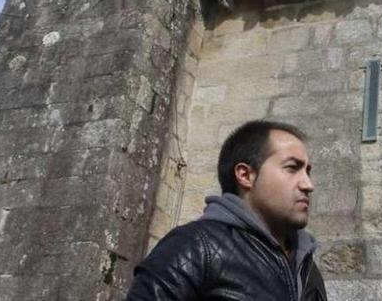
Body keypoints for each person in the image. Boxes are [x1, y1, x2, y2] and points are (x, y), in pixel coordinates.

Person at [126, 120, 327, 300]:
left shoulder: (308, 268)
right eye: (292, 168)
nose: (308, 185)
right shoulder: (196, 246)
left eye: (308, 171)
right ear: (245, 175)